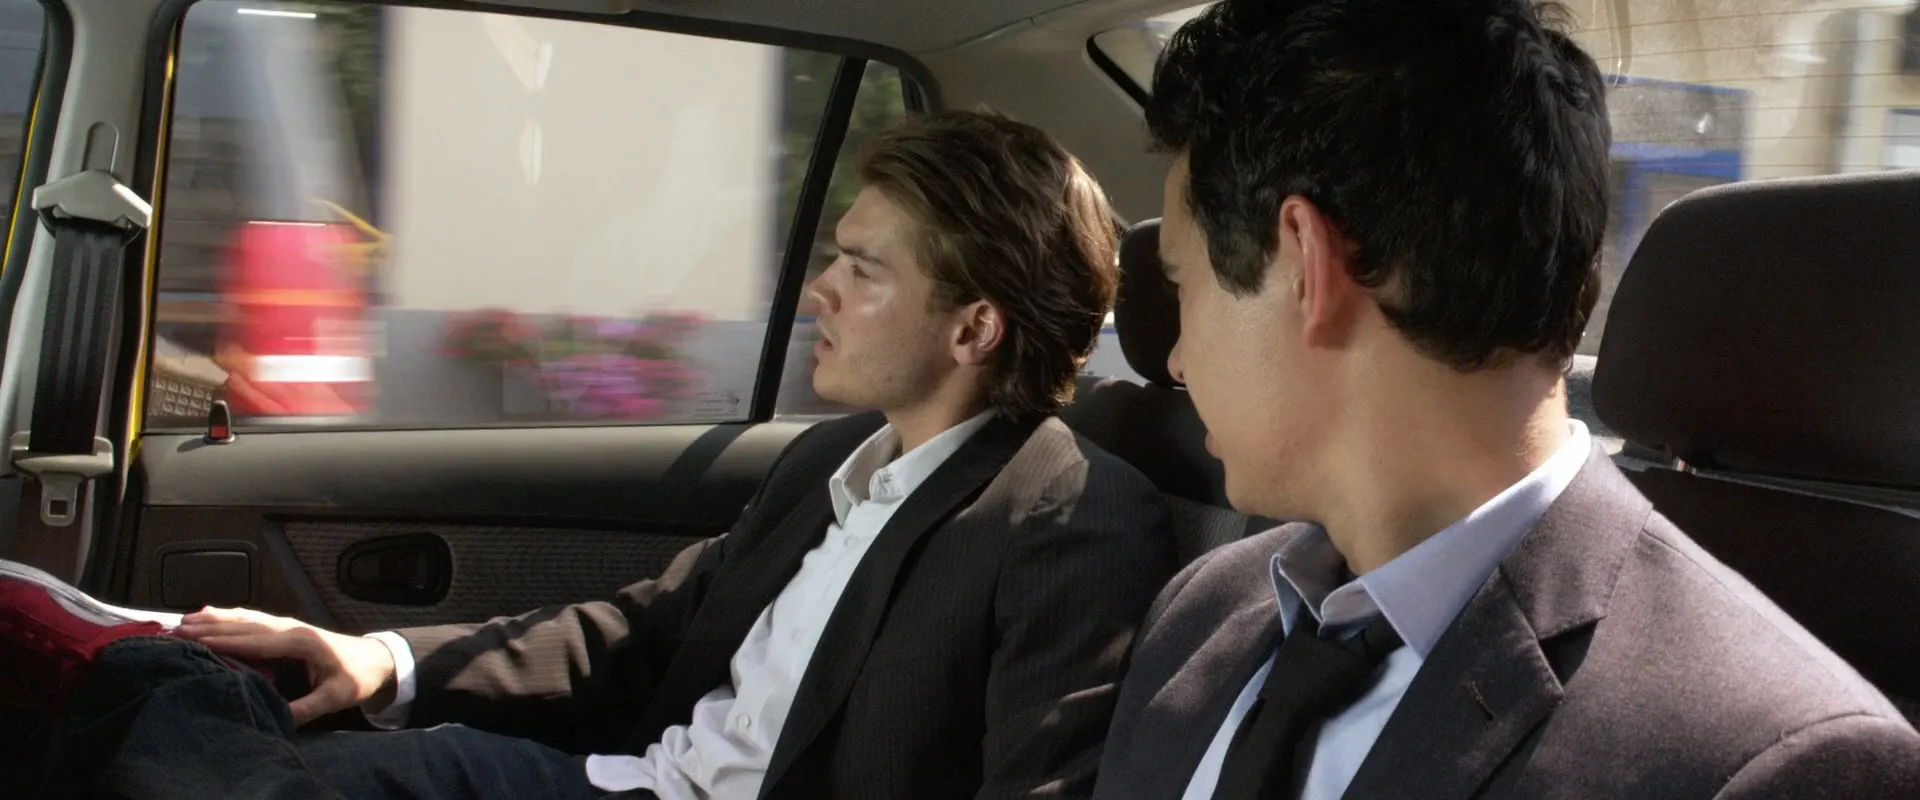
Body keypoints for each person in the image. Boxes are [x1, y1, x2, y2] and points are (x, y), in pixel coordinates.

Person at [0, 110, 1178, 800]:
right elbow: (642, 628)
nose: (820, 288)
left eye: (862, 269)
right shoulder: (836, 459)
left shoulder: (1064, 518)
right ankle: (149, 673)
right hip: (611, 775)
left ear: (974, 328)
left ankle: (131, 670)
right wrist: (377, 659)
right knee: (215, 723)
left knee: (204, 761)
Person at [1090, 1, 1920, 799]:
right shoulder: (1202, 613)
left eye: (1182, 282)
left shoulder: (1769, 764)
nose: (1177, 359)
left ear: (1306, 266)